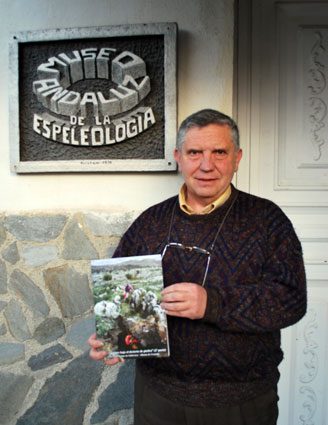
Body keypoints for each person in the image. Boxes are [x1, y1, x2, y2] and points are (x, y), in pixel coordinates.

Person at [89, 109, 307, 425]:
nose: (206, 165)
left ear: (237, 158)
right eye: (195, 153)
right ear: (179, 157)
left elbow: (291, 301)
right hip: (158, 398)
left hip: (240, 403)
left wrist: (212, 304)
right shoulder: (150, 223)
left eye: (219, 152)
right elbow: (123, 299)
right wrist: (115, 335)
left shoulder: (267, 220)